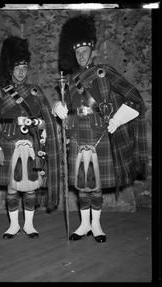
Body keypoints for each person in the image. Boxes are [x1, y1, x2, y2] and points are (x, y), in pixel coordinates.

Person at [53, 14, 148, 242]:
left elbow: (134, 97)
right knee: (82, 186)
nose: (81, 55)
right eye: (77, 52)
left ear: (92, 50)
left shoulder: (104, 72)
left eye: (85, 51)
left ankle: (96, 225)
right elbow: (69, 107)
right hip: (76, 133)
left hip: (99, 133)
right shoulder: (70, 80)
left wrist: (117, 119)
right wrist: (59, 106)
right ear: (73, 54)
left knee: (94, 185)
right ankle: (83, 225)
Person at [0, 36, 60, 239]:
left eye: (24, 68)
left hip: (32, 144)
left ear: (27, 70)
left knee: (30, 190)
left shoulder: (35, 92)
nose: (21, 72)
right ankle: (13, 226)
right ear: (10, 70)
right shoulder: (1, 94)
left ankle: (29, 225)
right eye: (17, 68)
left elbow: (46, 120)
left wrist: (43, 127)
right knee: (12, 189)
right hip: (8, 144)